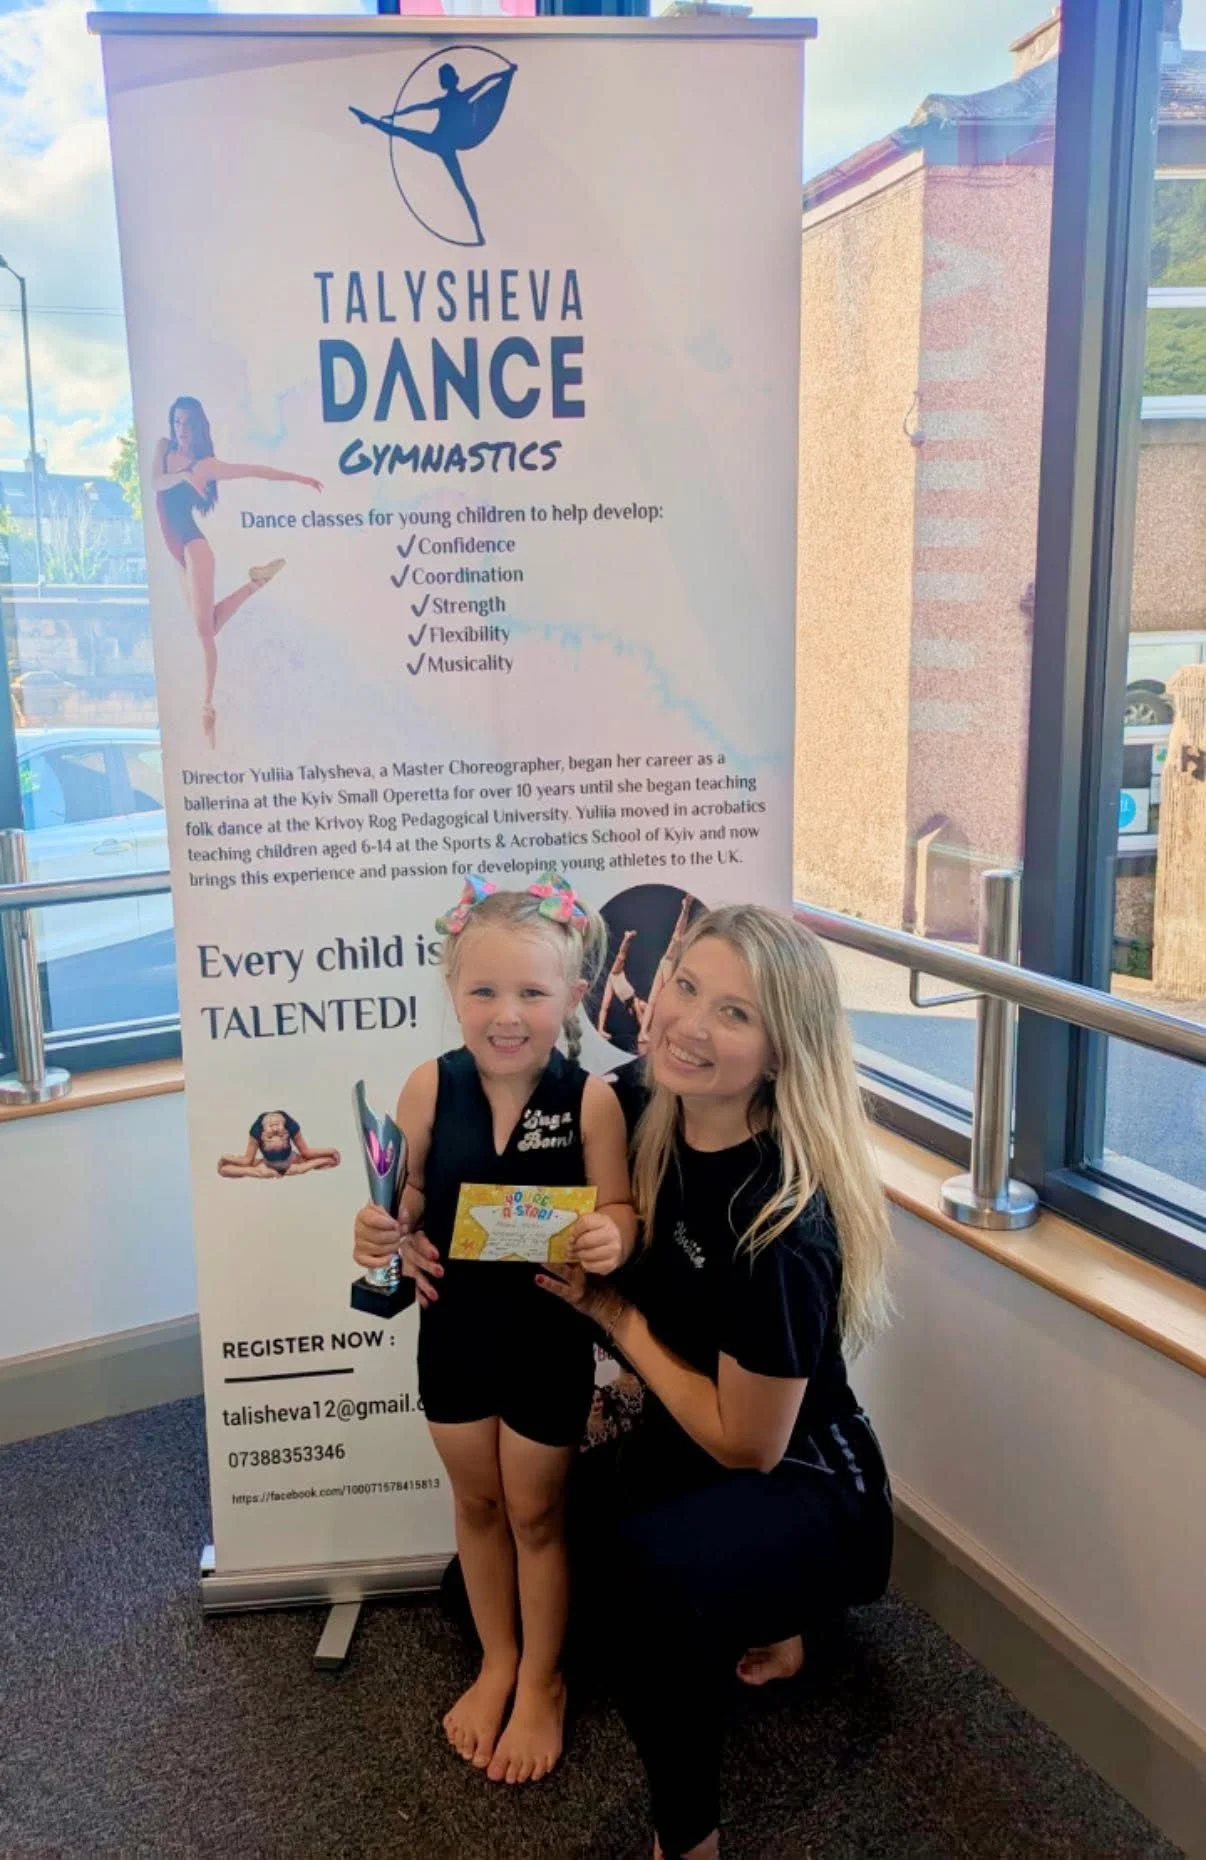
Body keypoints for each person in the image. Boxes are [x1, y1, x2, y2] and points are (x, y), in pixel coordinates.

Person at [403, 903, 894, 1859]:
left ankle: (689, 1835)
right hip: (684, 1444)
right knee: (480, 1577)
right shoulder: (634, 1103)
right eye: (686, 987)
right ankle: (766, 1614)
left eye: (736, 1014)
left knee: (640, 1590)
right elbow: (484, 1158)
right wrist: (400, 1231)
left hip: (803, 1478)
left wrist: (614, 1313)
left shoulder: (784, 1222)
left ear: (784, 1049)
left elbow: (746, 1442)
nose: (690, 1024)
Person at [352, 872, 635, 1788]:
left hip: (548, 1339)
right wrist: (383, 1231)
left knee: (539, 1515)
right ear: (452, 994)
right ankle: (499, 1659)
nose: (506, 1014)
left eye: (532, 993)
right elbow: (406, 1198)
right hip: (455, 1333)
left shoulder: (590, 1101)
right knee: (477, 1508)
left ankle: (544, 1679)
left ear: (573, 999)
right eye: (483, 991)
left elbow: (621, 1207)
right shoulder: (428, 1086)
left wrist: (609, 1235)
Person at [150, 396, 322, 746]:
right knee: (209, 625)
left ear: (198, 426)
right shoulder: (165, 450)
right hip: (177, 554)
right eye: (177, 422)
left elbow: (254, 470)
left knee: (205, 634)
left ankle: (207, 707)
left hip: (193, 550)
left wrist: (298, 478)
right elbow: (155, 483)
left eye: (188, 423)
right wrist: (183, 474)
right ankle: (257, 582)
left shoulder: (207, 465)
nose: (181, 429)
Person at [218, 1110, 340, 1179]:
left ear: (285, 1127)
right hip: (266, 1165)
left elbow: (306, 1152)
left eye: (278, 1125)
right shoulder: (256, 1131)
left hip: (291, 1161)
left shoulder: (291, 1126)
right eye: (271, 1127)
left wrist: (331, 1152)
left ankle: (320, 1161)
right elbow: (246, 1160)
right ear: (263, 1131)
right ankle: (258, 1172)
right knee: (226, 1170)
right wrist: (225, 1158)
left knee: (304, 1167)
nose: (275, 1129)